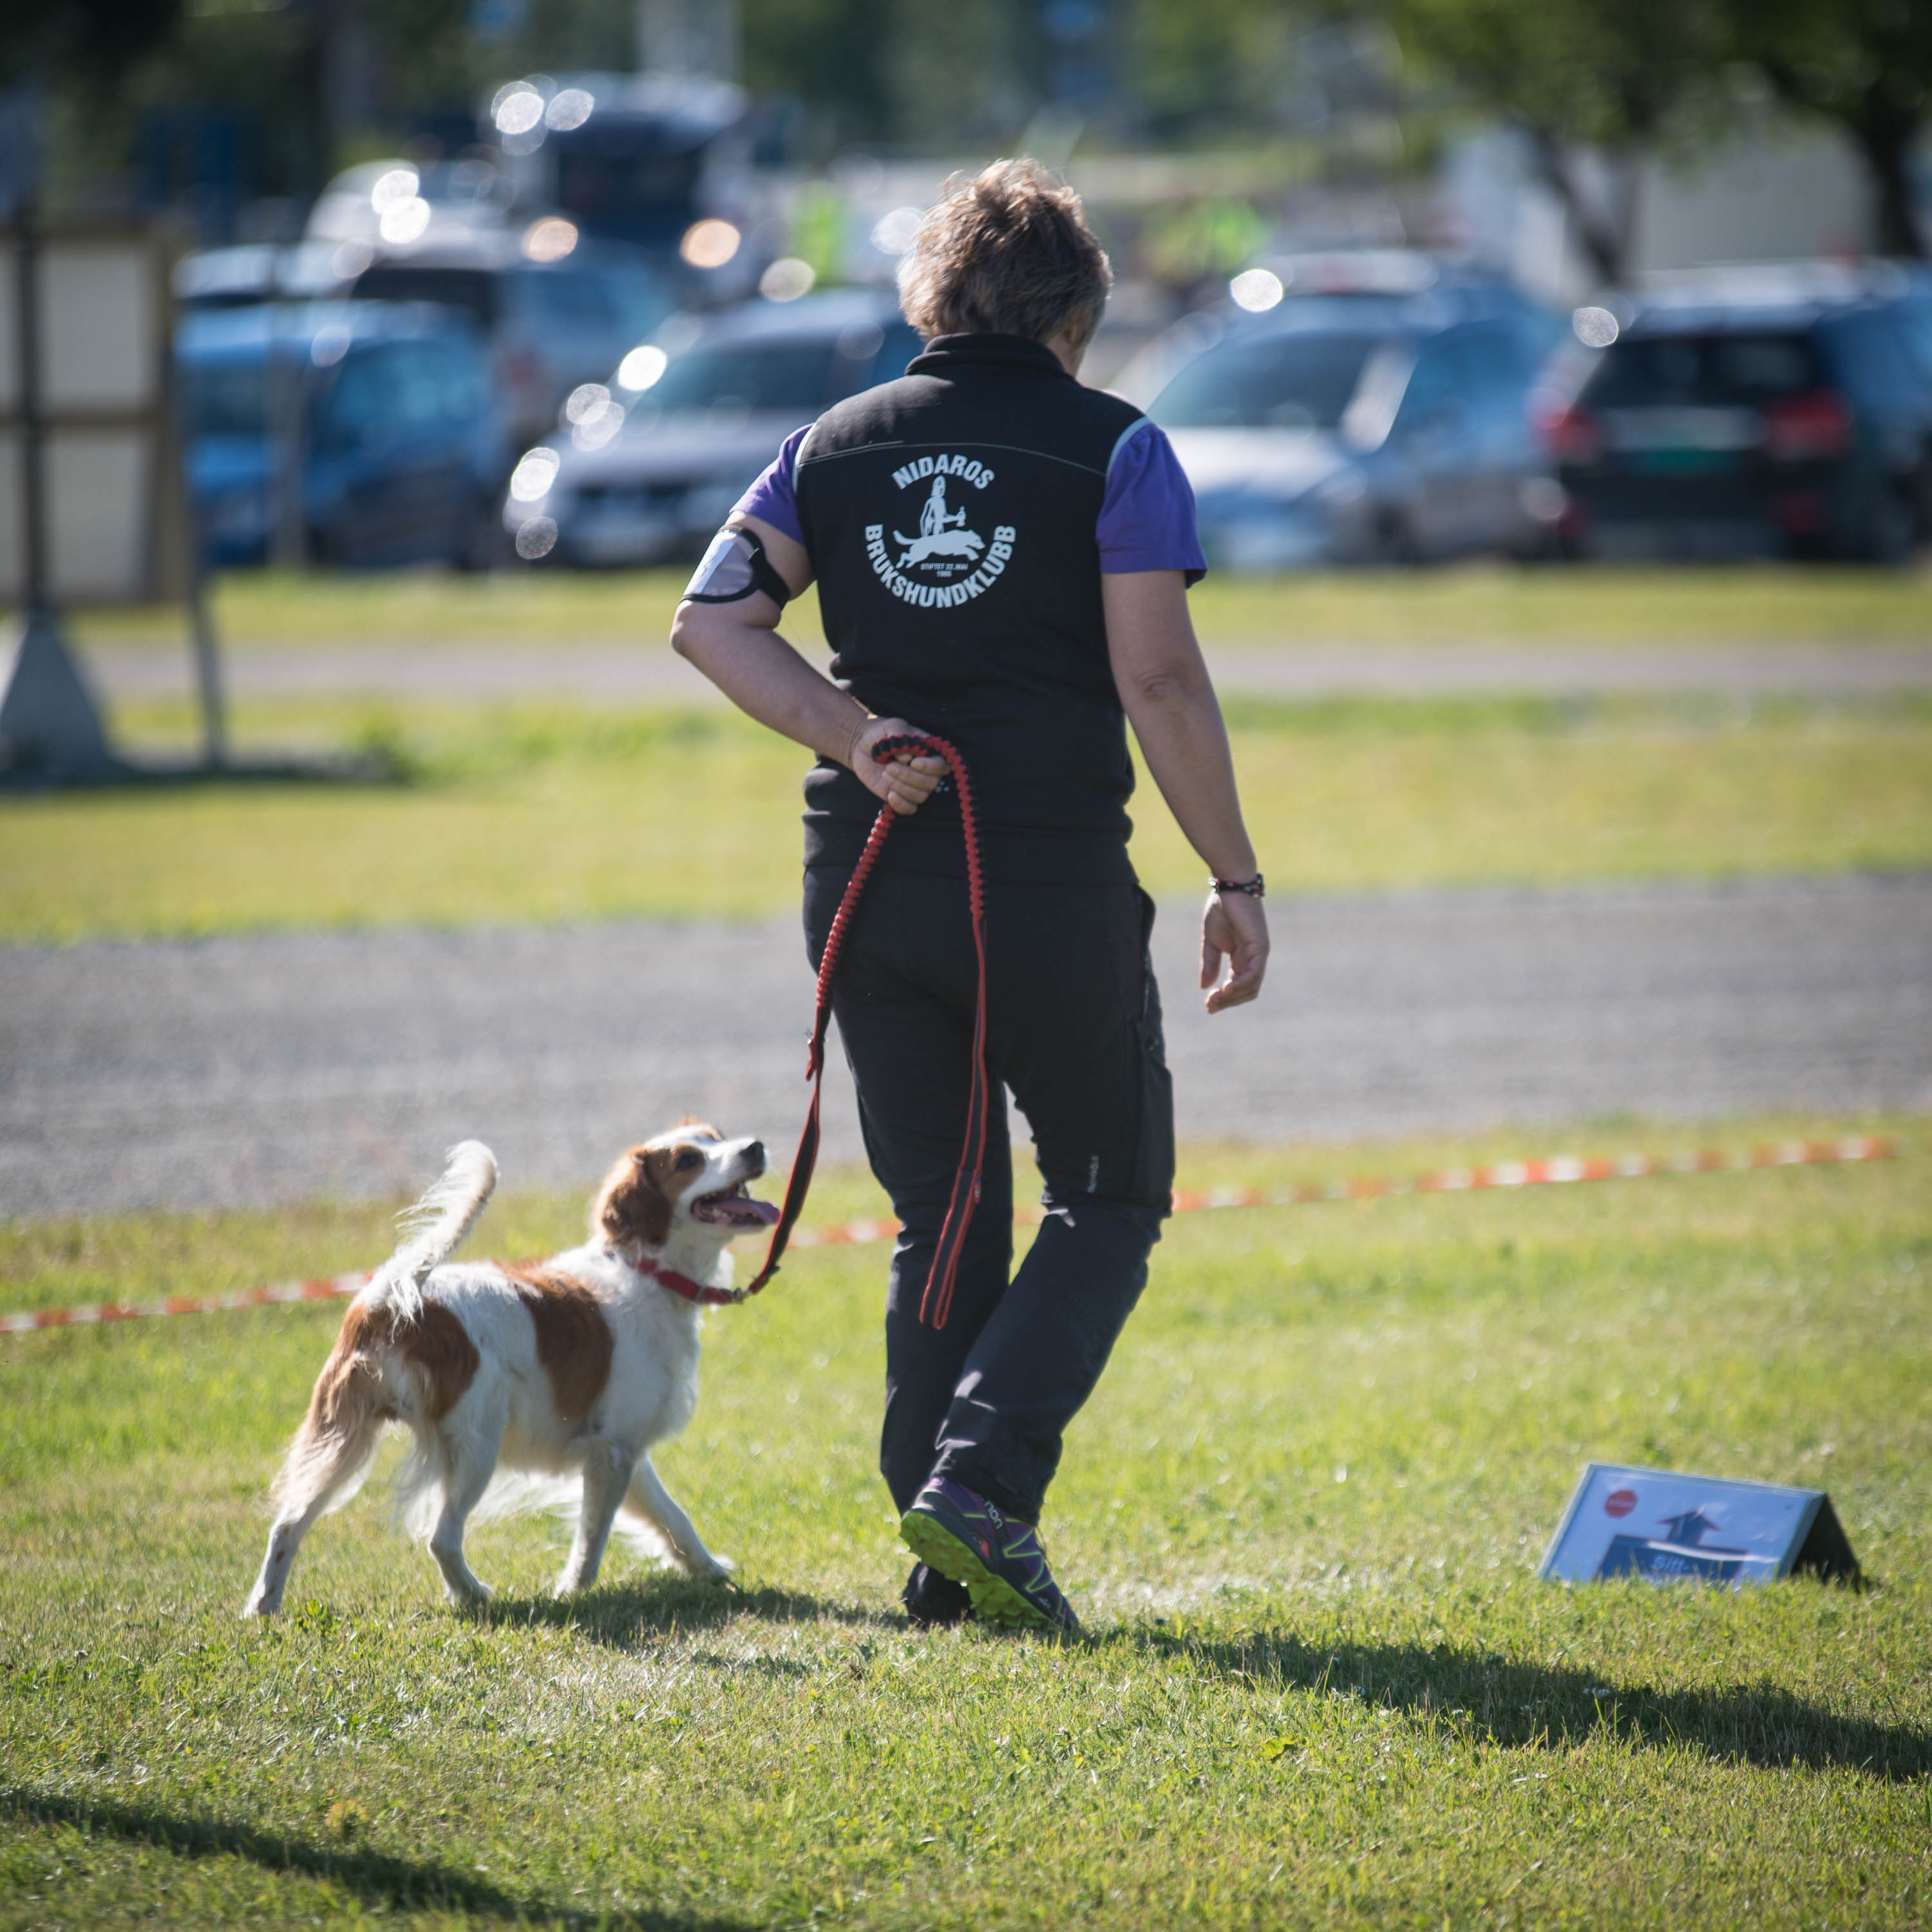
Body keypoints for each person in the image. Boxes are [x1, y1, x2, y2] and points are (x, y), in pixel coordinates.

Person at [671, 159, 1267, 1634]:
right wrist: (1234, 874)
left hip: (866, 874)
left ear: (928, 297)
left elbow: (710, 620)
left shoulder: (827, 445)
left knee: (941, 1211)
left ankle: (941, 1566)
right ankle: (980, 1491)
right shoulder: (1118, 448)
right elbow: (1159, 674)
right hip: (1046, 873)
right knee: (1112, 1187)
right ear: (1076, 313)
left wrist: (849, 734)